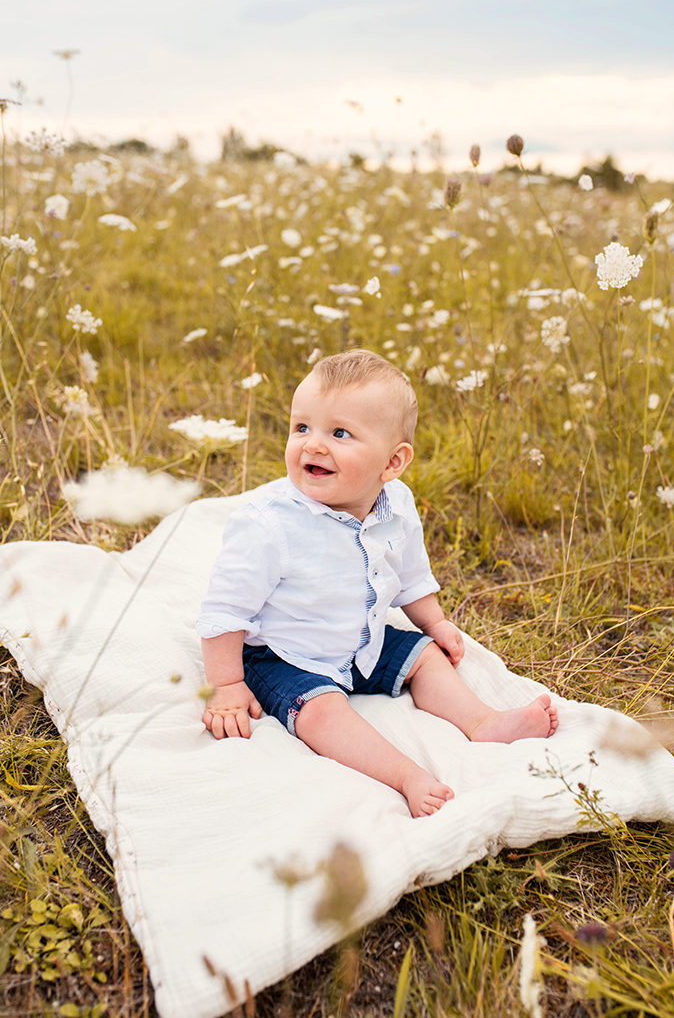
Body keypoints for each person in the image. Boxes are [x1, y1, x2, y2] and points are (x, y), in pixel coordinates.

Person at [197, 349, 558, 817]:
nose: (312, 445)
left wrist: (436, 622)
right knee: (322, 711)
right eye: (301, 427)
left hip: (361, 641)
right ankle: (405, 774)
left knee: (424, 656)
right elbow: (225, 609)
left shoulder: (396, 505)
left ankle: (483, 722)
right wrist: (226, 684)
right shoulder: (270, 525)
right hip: (285, 654)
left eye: (339, 433)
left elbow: (408, 572)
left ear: (392, 462)